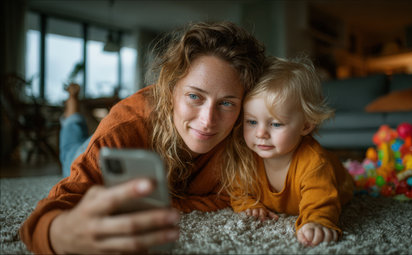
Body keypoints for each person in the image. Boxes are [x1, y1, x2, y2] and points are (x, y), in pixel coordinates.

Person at [20, 21, 266, 254]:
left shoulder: (244, 133)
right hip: (90, 147)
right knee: (70, 151)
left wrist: (169, 204)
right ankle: (72, 109)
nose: (208, 120)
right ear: (170, 90)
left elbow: (227, 198)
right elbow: (39, 222)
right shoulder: (125, 127)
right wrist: (60, 235)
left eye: (226, 103)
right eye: (194, 96)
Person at [226, 57, 354, 247]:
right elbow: (238, 189)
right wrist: (248, 206)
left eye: (276, 124)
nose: (261, 133)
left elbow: (321, 199)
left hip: (341, 183)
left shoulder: (314, 162)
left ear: (306, 125)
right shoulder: (248, 156)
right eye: (252, 122)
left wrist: (317, 221)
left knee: (335, 187)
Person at [59, 83, 91, 178]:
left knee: (70, 148)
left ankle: (72, 96)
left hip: (82, 157)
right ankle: (73, 98)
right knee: (74, 125)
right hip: (89, 149)